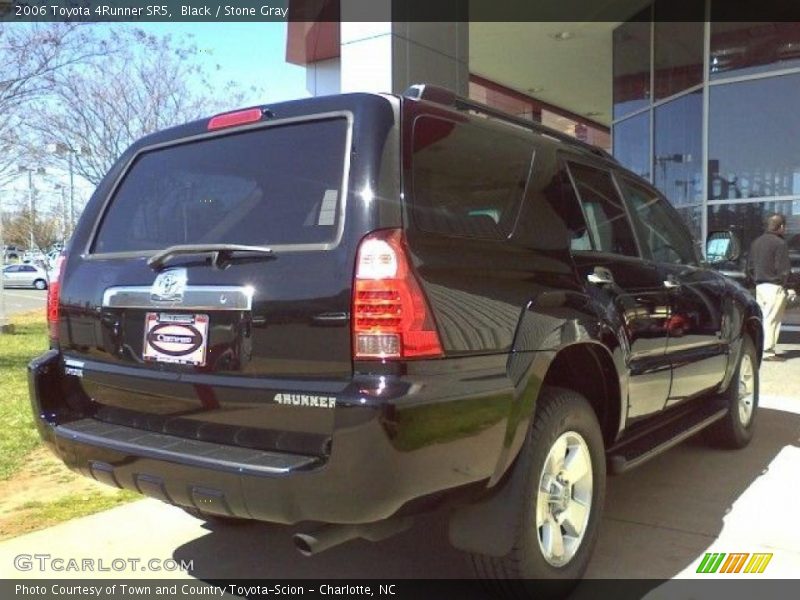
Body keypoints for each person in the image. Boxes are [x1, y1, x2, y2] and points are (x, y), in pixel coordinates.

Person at [748, 213, 795, 361]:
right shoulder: (780, 244)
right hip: (774, 287)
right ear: (780, 227)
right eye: (784, 226)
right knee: (772, 320)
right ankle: (768, 351)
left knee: (763, 318)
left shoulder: (756, 242)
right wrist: (788, 286)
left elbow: (749, 268)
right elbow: (784, 269)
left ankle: (761, 349)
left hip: (760, 287)